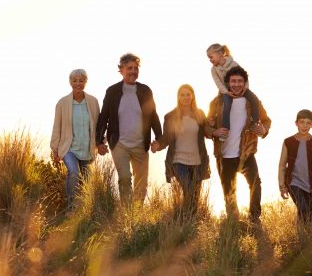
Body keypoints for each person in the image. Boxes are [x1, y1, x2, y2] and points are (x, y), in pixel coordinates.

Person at [206, 66, 271, 223]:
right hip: (224, 155)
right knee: (229, 191)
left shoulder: (252, 102)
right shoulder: (217, 102)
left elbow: (266, 120)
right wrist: (214, 132)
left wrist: (263, 129)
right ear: (228, 83)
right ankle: (233, 222)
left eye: (240, 81)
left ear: (245, 83)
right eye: (233, 81)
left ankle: (254, 219)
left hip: (246, 152)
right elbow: (206, 126)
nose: (236, 84)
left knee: (256, 184)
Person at [96, 53, 162, 203]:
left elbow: (153, 116)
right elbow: (103, 116)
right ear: (121, 70)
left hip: (141, 144)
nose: (133, 71)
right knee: (125, 178)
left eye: (136, 68)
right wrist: (99, 141)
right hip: (119, 143)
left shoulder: (145, 91)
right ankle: (126, 214)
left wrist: (159, 139)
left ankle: (136, 216)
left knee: (141, 183)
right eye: (129, 68)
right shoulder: (112, 91)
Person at [151, 84, 210, 217]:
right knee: (188, 189)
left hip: (198, 161)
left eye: (188, 94)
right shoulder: (170, 116)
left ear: (192, 96)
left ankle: (189, 222)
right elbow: (166, 138)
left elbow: (207, 132)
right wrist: (158, 145)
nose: (185, 97)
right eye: (182, 95)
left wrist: (214, 128)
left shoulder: (200, 114)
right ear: (178, 97)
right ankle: (183, 219)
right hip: (178, 160)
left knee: (195, 194)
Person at [51, 69, 100, 213]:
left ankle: (84, 209)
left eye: (81, 80)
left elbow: (98, 125)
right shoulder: (62, 103)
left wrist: (101, 142)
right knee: (73, 172)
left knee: (86, 180)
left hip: (86, 148)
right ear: (70, 82)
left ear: (86, 82)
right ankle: (71, 207)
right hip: (68, 148)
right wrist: (55, 148)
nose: (78, 83)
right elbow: (56, 126)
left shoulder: (92, 102)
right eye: (75, 80)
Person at [278, 109, 312, 224]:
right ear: (296, 123)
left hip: (310, 186)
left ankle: (303, 239)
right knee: (304, 209)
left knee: (307, 217)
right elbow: (281, 166)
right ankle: (303, 236)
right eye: (302, 122)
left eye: (308, 123)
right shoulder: (288, 142)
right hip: (293, 183)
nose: (304, 126)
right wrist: (282, 186)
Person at [206, 43, 262, 142]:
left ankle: (254, 123)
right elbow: (218, 82)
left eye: (211, 57)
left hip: (241, 89)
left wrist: (245, 88)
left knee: (255, 100)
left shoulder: (233, 64)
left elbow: (244, 75)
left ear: (219, 54)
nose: (210, 60)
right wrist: (226, 92)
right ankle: (225, 130)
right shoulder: (213, 70)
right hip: (225, 91)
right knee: (227, 106)